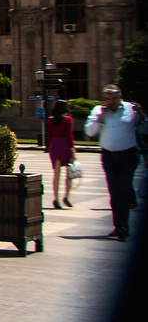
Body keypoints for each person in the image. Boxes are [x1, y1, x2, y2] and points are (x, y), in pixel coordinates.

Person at [85, 86, 140, 241]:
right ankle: (118, 226)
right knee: (114, 192)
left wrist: (142, 116)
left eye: (113, 99)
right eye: (107, 99)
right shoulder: (98, 111)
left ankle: (123, 226)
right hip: (109, 156)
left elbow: (144, 128)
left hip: (128, 156)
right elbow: (89, 131)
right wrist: (100, 118)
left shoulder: (131, 109)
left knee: (123, 191)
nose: (110, 102)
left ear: (120, 97)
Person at [47, 100, 76, 208]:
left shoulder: (50, 120)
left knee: (56, 175)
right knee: (69, 174)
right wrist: (72, 149)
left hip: (55, 145)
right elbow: (69, 136)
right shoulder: (68, 120)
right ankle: (66, 197)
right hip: (65, 145)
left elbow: (50, 135)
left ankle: (55, 198)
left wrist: (52, 147)